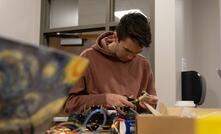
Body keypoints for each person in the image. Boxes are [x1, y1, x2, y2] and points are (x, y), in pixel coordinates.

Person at [64, 12, 158, 113]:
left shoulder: (143, 64)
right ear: (116, 37)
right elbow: (69, 103)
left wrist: (148, 105)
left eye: (137, 52)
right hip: (94, 128)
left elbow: (147, 111)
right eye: (127, 50)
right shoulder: (86, 58)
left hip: (131, 128)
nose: (131, 57)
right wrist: (104, 99)